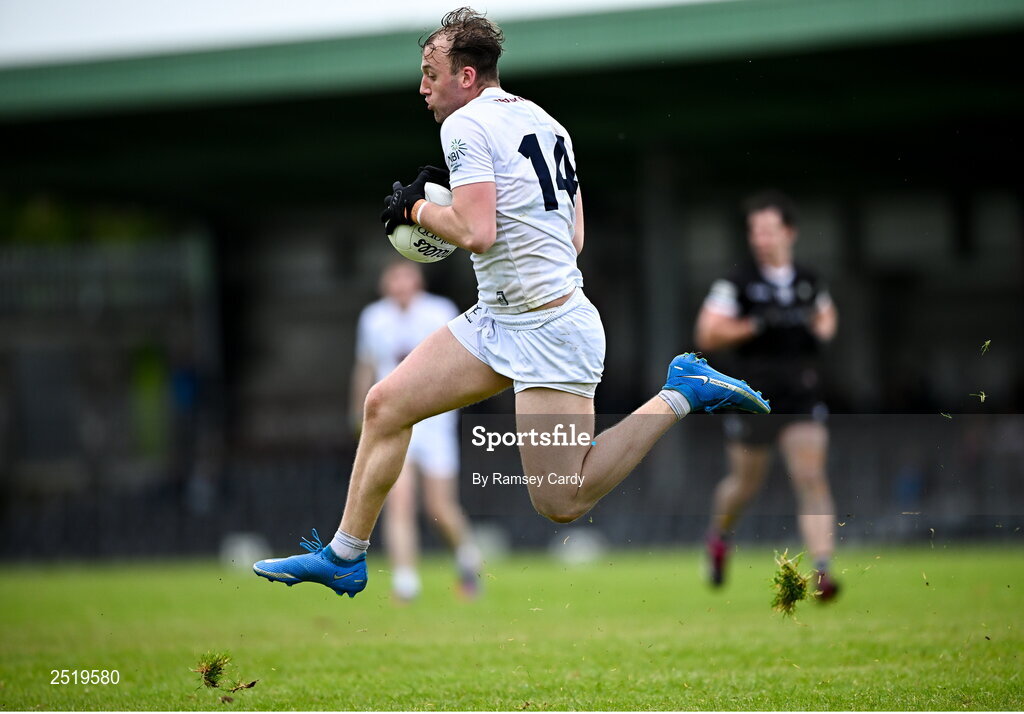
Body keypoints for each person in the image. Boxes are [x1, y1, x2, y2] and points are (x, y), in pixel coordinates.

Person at [253, 7, 770, 598]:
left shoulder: (464, 126)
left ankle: (682, 391)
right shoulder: (550, 123)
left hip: (550, 327)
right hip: (501, 316)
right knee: (384, 405)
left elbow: (477, 232)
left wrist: (415, 209)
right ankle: (346, 555)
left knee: (561, 500)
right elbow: (571, 237)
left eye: (430, 73)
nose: (422, 87)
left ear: (466, 77)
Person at [694, 190, 840, 600]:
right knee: (744, 484)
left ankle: (823, 570)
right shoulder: (737, 283)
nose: (760, 238)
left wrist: (817, 328)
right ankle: (719, 538)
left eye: (768, 230)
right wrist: (755, 326)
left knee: (810, 476)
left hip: (800, 393)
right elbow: (707, 332)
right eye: (754, 231)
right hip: (752, 397)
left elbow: (827, 319)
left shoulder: (808, 280)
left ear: (789, 233)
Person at [350, 261, 481, 601]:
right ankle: (406, 583)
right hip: (395, 420)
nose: (400, 286)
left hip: (436, 421)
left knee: (440, 506)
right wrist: (360, 415)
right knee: (399, 501)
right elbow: (365, 367)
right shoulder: (373, 318)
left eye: (406, 279)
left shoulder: (440, 311)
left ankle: (468, 559)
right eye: (393, 279)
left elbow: (458, 365)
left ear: (417, 281)